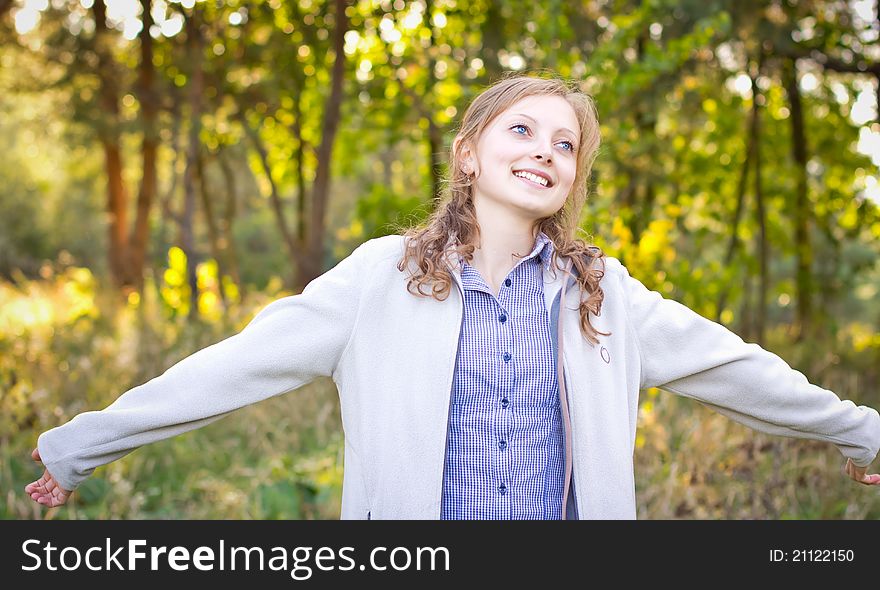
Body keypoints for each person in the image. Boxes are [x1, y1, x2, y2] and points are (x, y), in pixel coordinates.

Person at [26, 72, 880, 519]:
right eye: (522, 130)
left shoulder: (605, 296)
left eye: (566, 144)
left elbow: (740, 369)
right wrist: (81, 446)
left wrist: (860, 431)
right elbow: (232, 366)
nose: (545, 151)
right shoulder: (378, 280)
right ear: (469, 154)